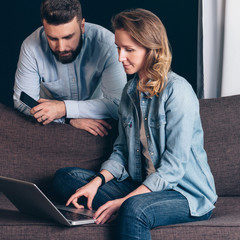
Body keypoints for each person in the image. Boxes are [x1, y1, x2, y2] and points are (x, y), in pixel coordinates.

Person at [52, 8, 217, 239]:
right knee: (65, 178)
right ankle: (119, 208)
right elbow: (120, 151)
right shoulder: (129, 92)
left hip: (183, 193)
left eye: (129, 50)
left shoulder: (178, 92)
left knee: (135, 208)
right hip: (140, 184)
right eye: (118, 48)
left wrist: (124, 201)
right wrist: (97, 182)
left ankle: (124, 210)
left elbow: (174, 167)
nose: (120, 57)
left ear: (152, 50)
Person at [13, 0, 127, 137]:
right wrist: (68, 119)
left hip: (97, 124)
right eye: (52, 38)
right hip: (50, 125)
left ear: (82, 26)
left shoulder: (108, 45)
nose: (61, 47)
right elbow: (22, 104)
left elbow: (118, 104)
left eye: (68, 37)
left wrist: (63, 108)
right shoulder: (31, 47)